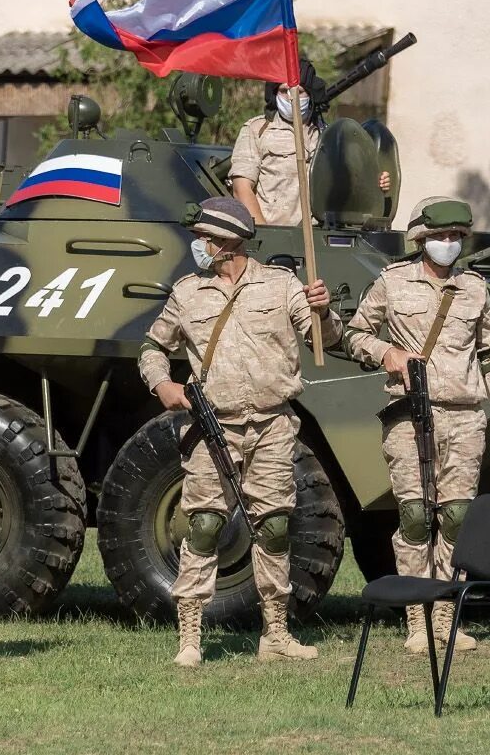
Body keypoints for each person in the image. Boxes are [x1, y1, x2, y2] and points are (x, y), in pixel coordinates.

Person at [138, 196, 342, 667]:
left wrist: (323, 310)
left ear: (227, 241)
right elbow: (152, 347)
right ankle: (190, 635)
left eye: (203, 239)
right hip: (212, 427)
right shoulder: (188, 293)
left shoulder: (280, 285)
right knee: (205, 524)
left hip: (271, 422)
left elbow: (324, 339)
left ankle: (275, 633)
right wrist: (163, 384)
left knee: (273, 525)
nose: (197, 246)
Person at [343, 196, 490, 655]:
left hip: (463, 415)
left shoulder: (475, 288)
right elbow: (354, 333)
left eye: (456, 238)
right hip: (409, 414)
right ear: (422, 239)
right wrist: (388, 353)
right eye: (441, 236)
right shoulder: (392, 283)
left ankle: (446, 617)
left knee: (456, 518)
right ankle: (416, 619)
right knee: (417, 517)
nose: (448, 244)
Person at [228, 59, 390, 226]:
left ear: (311, 95)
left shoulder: (329, 135)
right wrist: (263, 234)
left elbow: (350, 183)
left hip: (319, 236)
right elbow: (241, 189)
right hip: (274, 233)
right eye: (284, 91)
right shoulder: (257, 130)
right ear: (274, 94)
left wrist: (375, 182)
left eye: (300, 91)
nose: (292, 97)